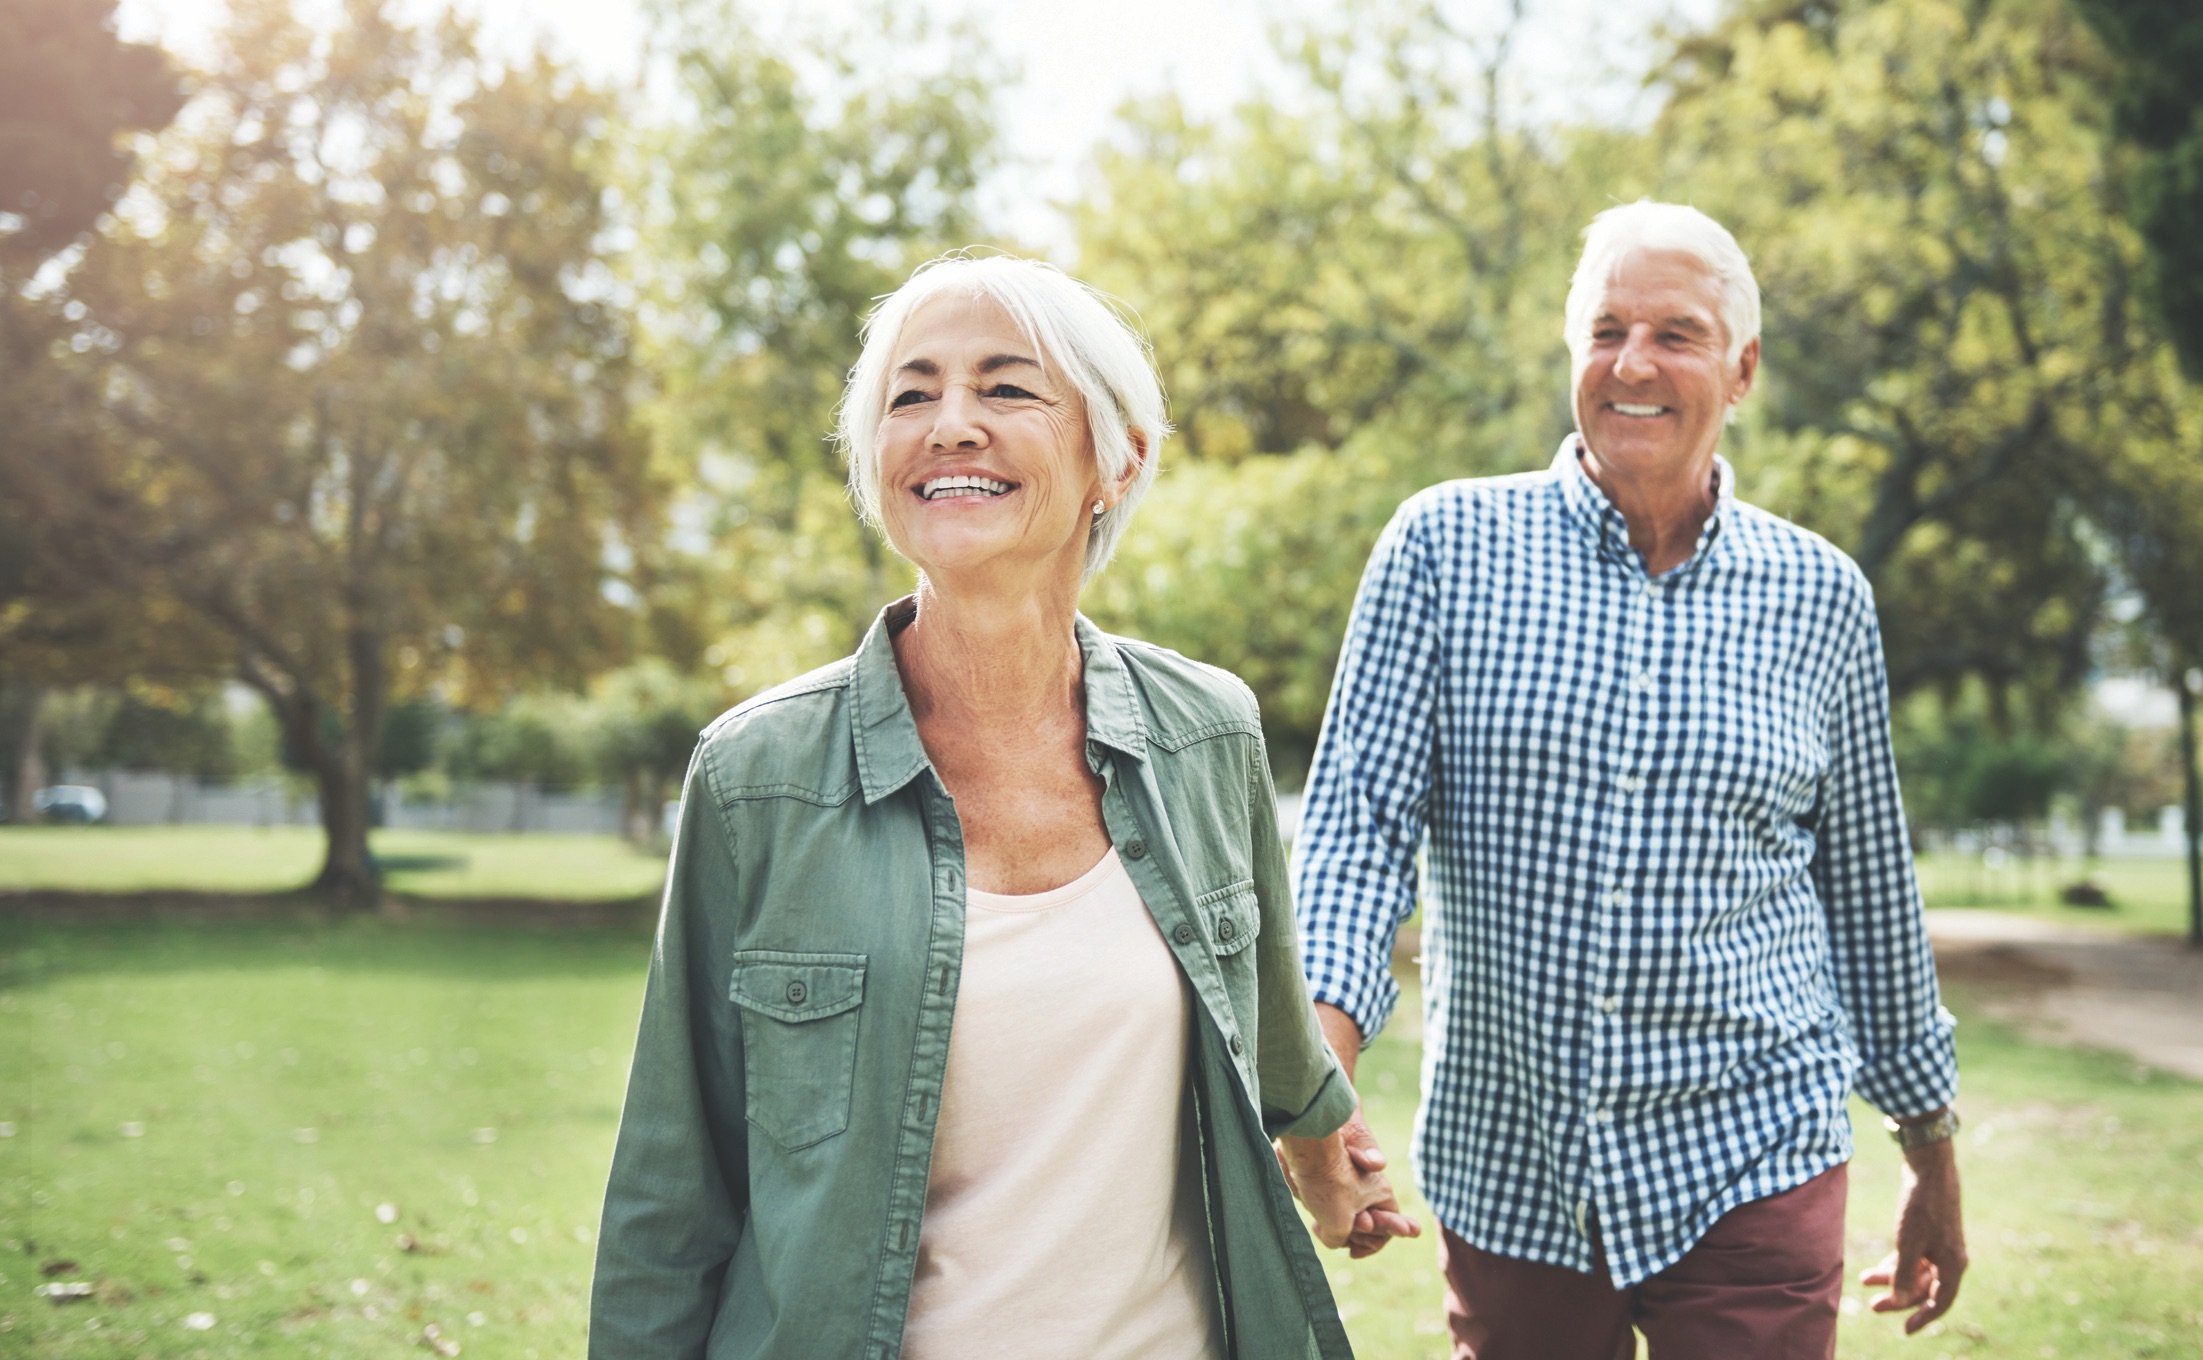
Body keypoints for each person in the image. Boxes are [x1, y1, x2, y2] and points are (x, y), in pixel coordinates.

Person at [589, 252, 1413, 1360]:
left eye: (1007, 387)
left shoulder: (1207, 731)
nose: (951, 424)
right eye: (911, 394)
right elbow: (670, 1189)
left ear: (1113, 459)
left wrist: (1323, 1153)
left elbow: (1267, 1025)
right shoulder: (758, 776)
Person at [1292, 201, 1966, 1358]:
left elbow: (1868, 898)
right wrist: (1322, 1088)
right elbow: (1355, 835)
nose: (1633, 363)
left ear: (1742, 368)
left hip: (1758, 1146)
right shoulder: (1441, 549)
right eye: (1605, 329)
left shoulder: (1821, 597)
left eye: (1677, 333)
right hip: (1514, 1161)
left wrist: (1931, 1152)